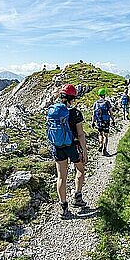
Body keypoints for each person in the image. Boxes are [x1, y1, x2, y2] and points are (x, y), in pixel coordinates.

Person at [46, 84, 89, 219]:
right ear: (72, 98)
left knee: (61, 177)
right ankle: (77, 197)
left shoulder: (53, 111)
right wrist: (84, 151)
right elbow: (80, 134)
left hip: (58, 148)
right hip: (73, 147)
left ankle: (64, 208)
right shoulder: (75, 113)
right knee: (80, 170)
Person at [92, 87, 115, 156]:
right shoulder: (107, 102)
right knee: (106, 136)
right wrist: (113, 120)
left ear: (98, 95)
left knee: (100, 134)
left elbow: (93, 114)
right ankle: (104, 149)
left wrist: (93, 122)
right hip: (106, 121)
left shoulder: (95, 103)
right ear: (104, 94)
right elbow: (111, 112)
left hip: (99, 121)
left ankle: (100, 144)